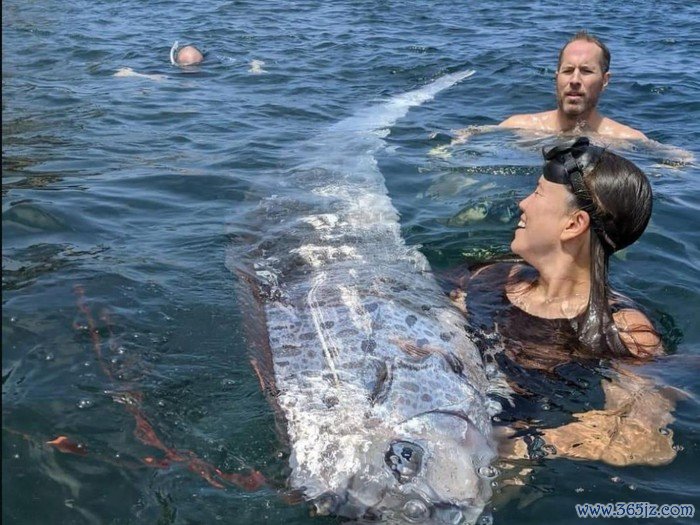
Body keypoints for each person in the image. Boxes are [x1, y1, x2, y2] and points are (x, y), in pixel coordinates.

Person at [450, 136, 677, 466]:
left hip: (500, 457)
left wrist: (519, 445)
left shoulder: (623, 330)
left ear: (574, 224)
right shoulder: (490, 277)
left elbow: (644, 441)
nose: (522, 203)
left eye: (538, 193)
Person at [499, 31, 647, 140]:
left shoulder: (626, 140)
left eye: (586, 71)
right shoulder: (518, 128)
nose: (574, 80)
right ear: (557, 78)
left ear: (604, 80)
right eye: (568, 70)